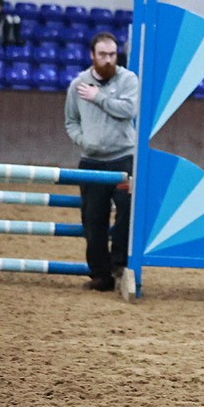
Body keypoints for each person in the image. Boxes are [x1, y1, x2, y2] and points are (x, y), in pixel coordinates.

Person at [64, 32, 139, 291]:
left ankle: (120, 265)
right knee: (93, 219)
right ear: (92, 56)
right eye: (103, 55)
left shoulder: (128, 79)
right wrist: (83, 141)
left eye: (112, 54)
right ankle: (101, 274)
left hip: (124, 159)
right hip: (91, 162)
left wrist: (98, 97)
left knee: (128, 211)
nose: (109, 60)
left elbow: (128, 111)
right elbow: (70, 121)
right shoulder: (77, 85)